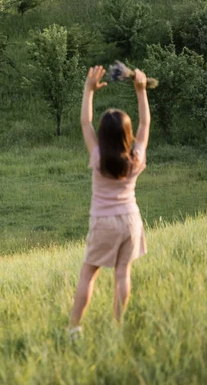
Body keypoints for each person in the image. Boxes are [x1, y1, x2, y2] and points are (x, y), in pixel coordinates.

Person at [68, 66, 151, 338]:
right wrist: (140, 91)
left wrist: (88, 90)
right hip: (130, 220)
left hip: (103, 222)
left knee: (88, 275)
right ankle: (118, 328)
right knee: (122, 274)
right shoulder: (136, 157)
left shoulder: (98, 156)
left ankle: (74, 329)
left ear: (102, 136)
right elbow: (145, 124)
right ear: (127, 136)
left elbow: (85, 123)